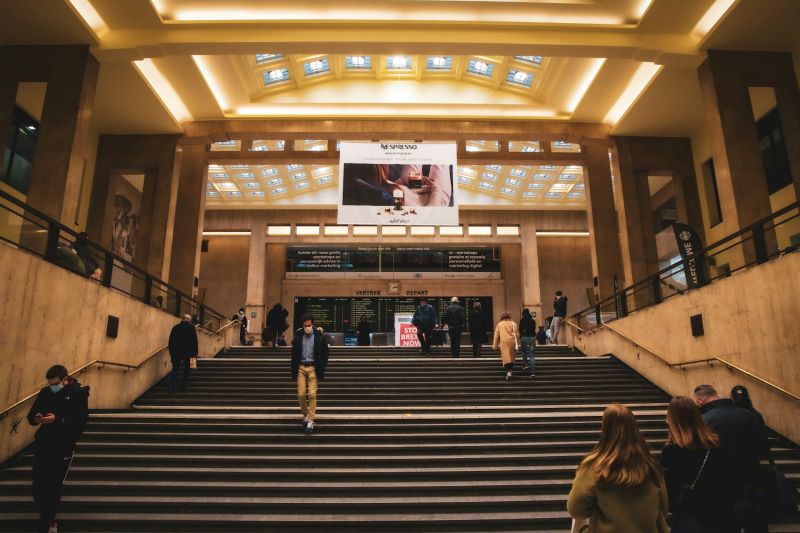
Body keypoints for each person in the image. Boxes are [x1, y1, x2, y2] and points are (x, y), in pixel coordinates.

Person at [567, 403, 669, 533]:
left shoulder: (593, 466)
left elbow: (576, 509)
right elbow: (663, 508)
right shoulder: (650, 465)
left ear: (604, 429)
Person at [694, 384, 768, 533]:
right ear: (718, 395)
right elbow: (763, 448)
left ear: (700, 401)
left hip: (721, 489)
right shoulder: (749, 415)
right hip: (751, 482)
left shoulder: (704, 420)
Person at [26, 365, 90, 533]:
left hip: (63, 446)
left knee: (53, 485)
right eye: (50, 384)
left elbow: (80, 423)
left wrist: (57, 419)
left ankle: (49, 521)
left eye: (55, 383)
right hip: (43, 444)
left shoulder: (78, 393)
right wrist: (37, 418)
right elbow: (31, 417)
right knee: (37, 486)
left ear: (65, 379)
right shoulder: (45, 392)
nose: (52, 387)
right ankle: (46, 518)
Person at [660, 396, 738, 533]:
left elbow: (669, 488)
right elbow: (730, 481)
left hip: (689, 516)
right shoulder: (715, 445)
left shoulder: (671, 452)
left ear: (672, 420)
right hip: (719, 514)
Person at [291, 315, 329, 435]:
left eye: (309, 325)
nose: (307, 327)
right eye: (305, 325)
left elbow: (325, 352)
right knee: (301, 394)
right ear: (302, 326)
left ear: (312, 324)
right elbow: (294, 353)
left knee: (312, 394)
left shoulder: (319, 336)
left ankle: (311, 420)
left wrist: (322, 364)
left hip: (313, 367)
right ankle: (306, 414)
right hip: (301, 367)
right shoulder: (298, 336)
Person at [730, 385, 772, 462]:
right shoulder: (755, 414)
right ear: (748, 397)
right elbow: (763, 436)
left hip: (738, 457)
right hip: (754, 456)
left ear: (732, 397)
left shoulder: (730, 415)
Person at [168, 314, 198, 393]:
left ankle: (172, 386)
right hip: (189, 352)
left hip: (176, 352)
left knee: (175, 369)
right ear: (189, 320)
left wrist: (171, 353)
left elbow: (171, 342)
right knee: (187, 369)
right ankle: (184, 384)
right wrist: (196, 352)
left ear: (182, 319)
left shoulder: (175, 328)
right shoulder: (191, 328)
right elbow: (195, 341)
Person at [492, 312, 519, 380]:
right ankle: (511, 371)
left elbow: (496, 336)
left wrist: (495, 346)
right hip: (512, 341)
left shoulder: (500, 324)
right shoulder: (514, 323)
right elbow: (517, 334)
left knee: (506, 358)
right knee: (512, 357)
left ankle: (508, 372)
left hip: (504, 342)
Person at [518, 308, 536, 377]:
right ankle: (533, 372)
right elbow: (533, 329)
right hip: (532, 338)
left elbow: (520, 329)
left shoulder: (522, 320)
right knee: (532, 355)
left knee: (524, 352)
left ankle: (525, 364)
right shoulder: (533, 321)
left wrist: (521, 336)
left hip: (524, 338)